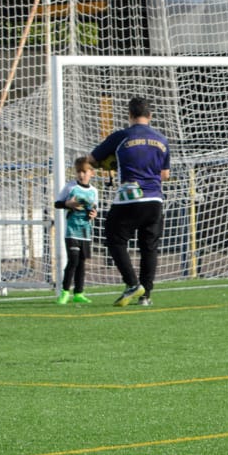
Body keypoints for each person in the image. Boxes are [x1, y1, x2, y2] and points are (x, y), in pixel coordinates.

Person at [89, 96, 170, 307]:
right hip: (155, 199)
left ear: (130, 115)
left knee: (114, 239)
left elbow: (91, 160)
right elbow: (165, 174)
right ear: (150, 116)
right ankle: (146, 295)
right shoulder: (162, 139)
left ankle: (132, 283)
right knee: (149, 247)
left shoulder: (121, 136)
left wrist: (109, 165)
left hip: (130, 198)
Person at [53, 156, 99, 305]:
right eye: (79, 171)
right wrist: (68, 203)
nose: (81, 174)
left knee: (81, 262)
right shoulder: (71, 187)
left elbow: (94, 208)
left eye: (84, 171)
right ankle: (65, 292)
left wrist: (94, 214)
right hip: (72, 230)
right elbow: (57, 203)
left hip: (85, 231)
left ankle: (79, 292)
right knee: (73, 260)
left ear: (92, 173)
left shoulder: (94, 191)